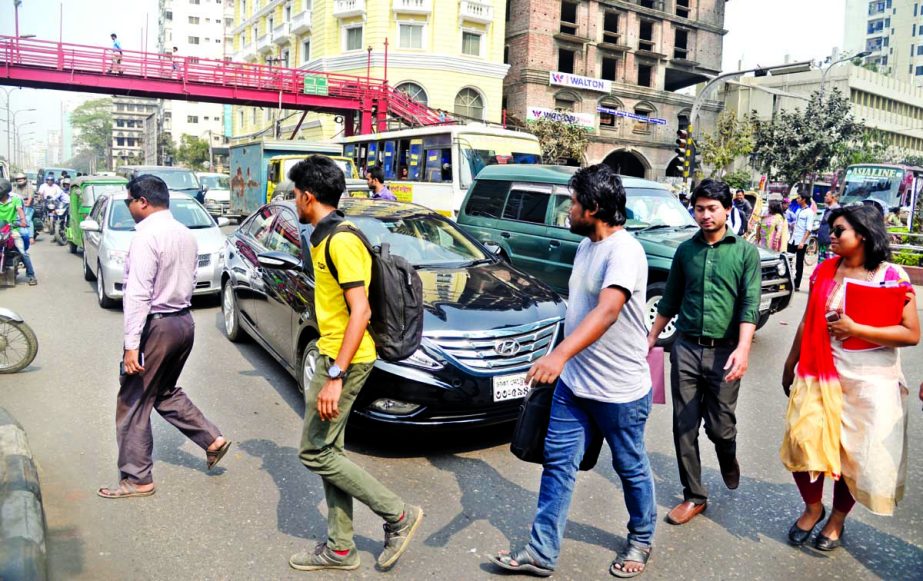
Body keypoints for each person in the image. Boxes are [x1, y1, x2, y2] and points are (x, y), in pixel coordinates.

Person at [488, 164, 655, 578]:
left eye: (574, 203)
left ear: (594, 207)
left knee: (629, 465)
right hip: (574, 386)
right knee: (558, 465)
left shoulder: (625, 251)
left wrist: (558, 356)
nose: (568, 210)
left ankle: (641, 538)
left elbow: (608, 310)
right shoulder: (586, 247)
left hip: (619, 391)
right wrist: (555, 355)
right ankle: (541, 552)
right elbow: (577, 311)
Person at [287, 155, 422, 572]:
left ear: (309, 197)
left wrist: (335, 375)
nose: (293, 202)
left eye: (294, 195)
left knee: (315, 452)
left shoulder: (341, 241)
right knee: (332, 450)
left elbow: (360, 312)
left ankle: (398, 514)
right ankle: (341, 548)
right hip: (335, 352)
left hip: (344, 359)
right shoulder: (326, 235)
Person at [780, 204, 919, 551]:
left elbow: (911, 334)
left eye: (839, 230)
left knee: (853, 456)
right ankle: (813, 508)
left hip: (872, 380)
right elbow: (806, 321)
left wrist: (858, 328)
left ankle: (837, 519)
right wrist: (789, 363)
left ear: (864, 234)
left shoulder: (891, 277)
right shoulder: (824, 271)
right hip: (820, 372)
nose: (831, 237)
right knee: (803, 442)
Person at [97, 175, 230, 499]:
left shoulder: (146, 236)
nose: (129, 207)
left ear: (142, 201)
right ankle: (211, 439)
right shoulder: (184, 233)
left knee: (133, 400)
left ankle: (137, 478)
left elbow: (139, 294)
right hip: (183, 323)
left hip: (157, 326)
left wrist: (131, 346)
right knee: (163, 391)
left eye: (129, 201)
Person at [647, 179, 761, 526]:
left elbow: (749, 304)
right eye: (699, 208)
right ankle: (695, 495)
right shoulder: (685, 252)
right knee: (683, 425)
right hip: (685, 348)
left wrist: (743, 349)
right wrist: (650, 337)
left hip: (725, 351)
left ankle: (727, 455)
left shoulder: (744, 252)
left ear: (727, 210)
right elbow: (670, 299)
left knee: (720, 427)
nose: (706, 215)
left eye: (713, 208)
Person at [0, 178, 37, 285]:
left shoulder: (15, 200)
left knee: (22, 252)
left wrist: (23, 221)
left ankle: (31, 276)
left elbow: (20, 211)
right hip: (0, 230)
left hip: (12, 230)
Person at [788, 192, 815, 290]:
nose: (797, 199)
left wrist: (803, 242)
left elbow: (808, 229)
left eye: (799, 198)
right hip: (793, 239)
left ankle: (797, 284)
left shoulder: (809, 212)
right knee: (788, 260)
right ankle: (788, 281)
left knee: (799, 263)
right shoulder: (798, 210)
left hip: (801, 241)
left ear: (804, 199)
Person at [815, 191, 840, 264]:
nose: (824, 197)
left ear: (833, 197)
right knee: (821, 264)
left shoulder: (837, 210)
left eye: (827, 195)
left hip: (830, 243)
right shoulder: (827, 209)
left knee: (829, 264)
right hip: (823, 242)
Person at [12, 173, 36, 238]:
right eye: (18, 179)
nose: (19, 180)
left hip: (28, 206)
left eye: (21, 179)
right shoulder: (15, 187)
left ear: (25, 179)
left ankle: (31, 237)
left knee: (27, 219)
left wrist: (27, 203)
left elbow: (30, 198)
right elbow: (12, 196)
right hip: (18, 206)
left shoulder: (29, 187)